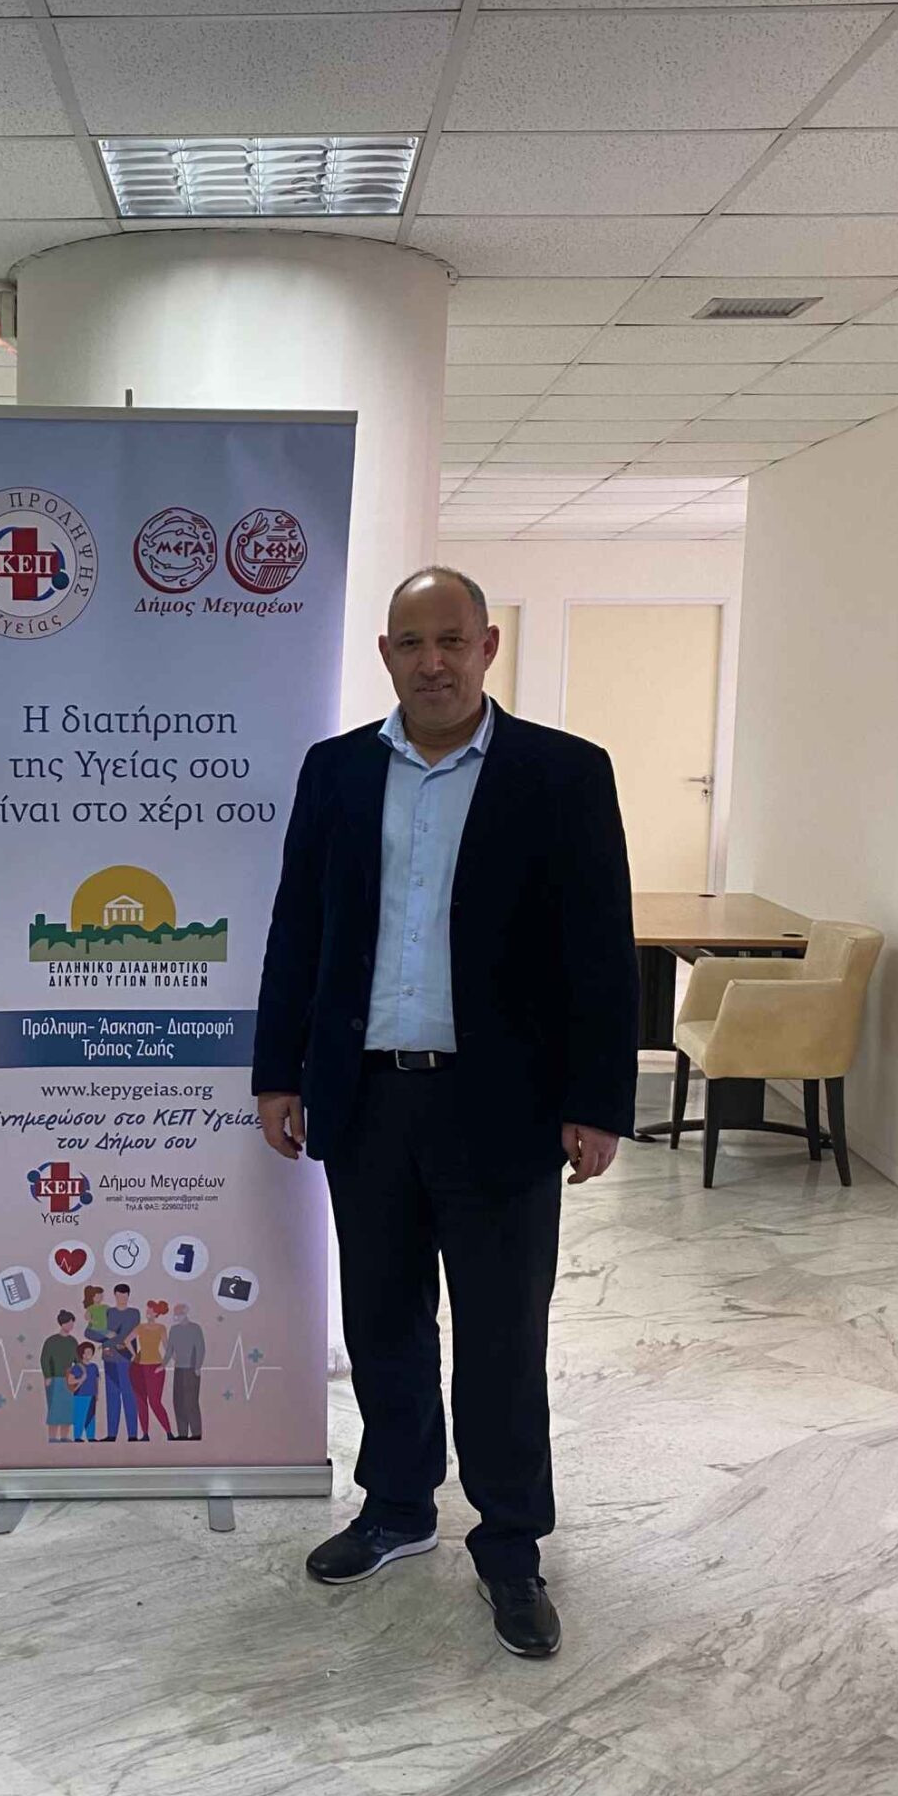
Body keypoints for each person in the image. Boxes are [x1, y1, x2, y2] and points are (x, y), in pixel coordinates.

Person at [253, 565, 636, 1660]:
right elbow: (297, 929)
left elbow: (599, 948)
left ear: (487, 647)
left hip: (502, 1104)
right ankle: (397, 1506)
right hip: (366, 1096)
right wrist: (279, 1071)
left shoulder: (561, 774)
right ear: (386, 653)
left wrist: (596, 1101)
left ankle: (510, 1544)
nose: (432, 662)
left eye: (451, 641)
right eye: (411, 643)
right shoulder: (336, 771)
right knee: (383, 1320)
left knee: (503, 1335)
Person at [101, 1281, 142, 1441]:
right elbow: (99, 1331)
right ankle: (111, 1435)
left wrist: (110, 1339)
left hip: (127, 1359)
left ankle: (132, 1435)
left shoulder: (134, 1313)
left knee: (129, 1395)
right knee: (112, 1396)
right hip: (110, 1358)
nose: (122, 1299)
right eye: (119, 1296)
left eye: (124, 1296)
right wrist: (106, 1339)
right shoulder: (108, 1312)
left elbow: (126, 1333)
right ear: (115, 1295)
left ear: (128, 1296)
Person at [164, 1302, 206, 1441]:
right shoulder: (174, 1330)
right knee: (178, 1401)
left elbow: (200, 1348)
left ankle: (196, 1433)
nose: (176, 1316)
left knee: (191, 1402)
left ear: (185, 1313)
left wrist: (198, 1366)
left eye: (179, 1314)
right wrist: (163, 1365)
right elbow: (169, 1350)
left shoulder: (195, 1328)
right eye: (175, 1314)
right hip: (179, 1369)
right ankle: (182, 1433)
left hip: (191, 1369)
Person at [133, 1299, 173, 1439]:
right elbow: (126, 1341)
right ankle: (145, 1434)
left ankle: (168, 1432)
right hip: (139, 1368)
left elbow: (168, 1348)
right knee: (141, 1402)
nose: (148, 1311)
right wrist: (133, 1355)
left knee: (155, 1402)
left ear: (156, 1313)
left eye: (150, 1310)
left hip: (156, 1366)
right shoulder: (140, 1327)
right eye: (148, 1309)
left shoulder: (161, 1328)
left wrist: (163, 1365)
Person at [41, 1309, 80, 1443]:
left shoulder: (73, 1341)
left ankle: (64, 1436)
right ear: (62, 1323)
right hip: (55, 1379)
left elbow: (78, 1361)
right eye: (69, 1323)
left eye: (72, 1323)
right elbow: (45, 1359)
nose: (71, 1325)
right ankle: (52, 1437)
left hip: (68, 1380)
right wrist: (48, 1376)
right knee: (54, 1408)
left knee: (67, 1408)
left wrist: (78, 1375)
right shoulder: (51, 1341)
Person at [67, 1341, 100, 1443]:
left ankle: (91, 1437)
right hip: (80, 1395)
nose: (89, 1354)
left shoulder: (94, 1367)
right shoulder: (77, 1367)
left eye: (91, 1352)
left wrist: (97, 1394)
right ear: (82, 1354)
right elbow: (70, 1381)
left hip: (92, 1395)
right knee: (79, 1416)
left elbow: (96, 1381)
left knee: (91, 1417)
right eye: (87, 1352)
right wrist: (80, 1379)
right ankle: (77, 1437)